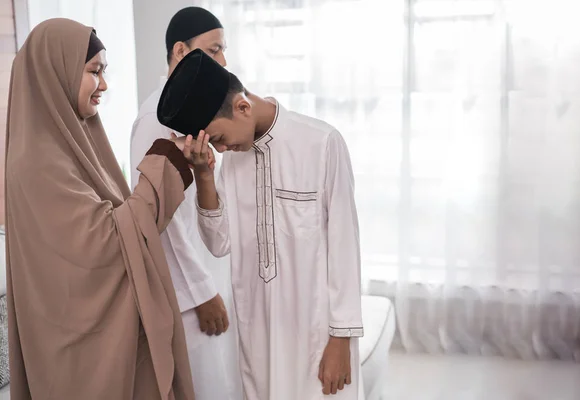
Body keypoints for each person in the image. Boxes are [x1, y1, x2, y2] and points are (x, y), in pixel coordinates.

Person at [5, 18, 201, 399]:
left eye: (105, 72)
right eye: (94, 72)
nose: (105, 86)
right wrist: (164, 164)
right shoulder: (37, 164)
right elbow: (105, 244)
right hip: (79, 356)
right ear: (55, 73)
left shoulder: (77, 145)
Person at [158, 49, 365, 400]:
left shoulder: (322, 143)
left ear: (242, 107)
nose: (222, 150)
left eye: (220, 139)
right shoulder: (234, 161)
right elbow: (219, 243)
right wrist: (204, 176)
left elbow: (345, 245)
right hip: (258, 335)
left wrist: (341, 339)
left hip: (315, 335)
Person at [129, 7, 242, 399]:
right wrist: (202, 292)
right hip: (188, 294)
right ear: (180, 50)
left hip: (207, 271)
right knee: (207, 386)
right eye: (214, 50)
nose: (224, 61)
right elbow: (159, 218)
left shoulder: (192, 107)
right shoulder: (154, 119)